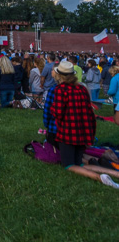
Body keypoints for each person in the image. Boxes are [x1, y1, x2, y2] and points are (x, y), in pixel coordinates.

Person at [49, 61, 119, 189]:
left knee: (69, 165)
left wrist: (52, 108)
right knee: (79, 162)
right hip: (84, 130)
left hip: (68, 132)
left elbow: (58, 112)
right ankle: (115, 173)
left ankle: (99, 178)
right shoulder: (81, 88)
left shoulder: (60, 89)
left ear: (59, 75)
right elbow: (89, 110)